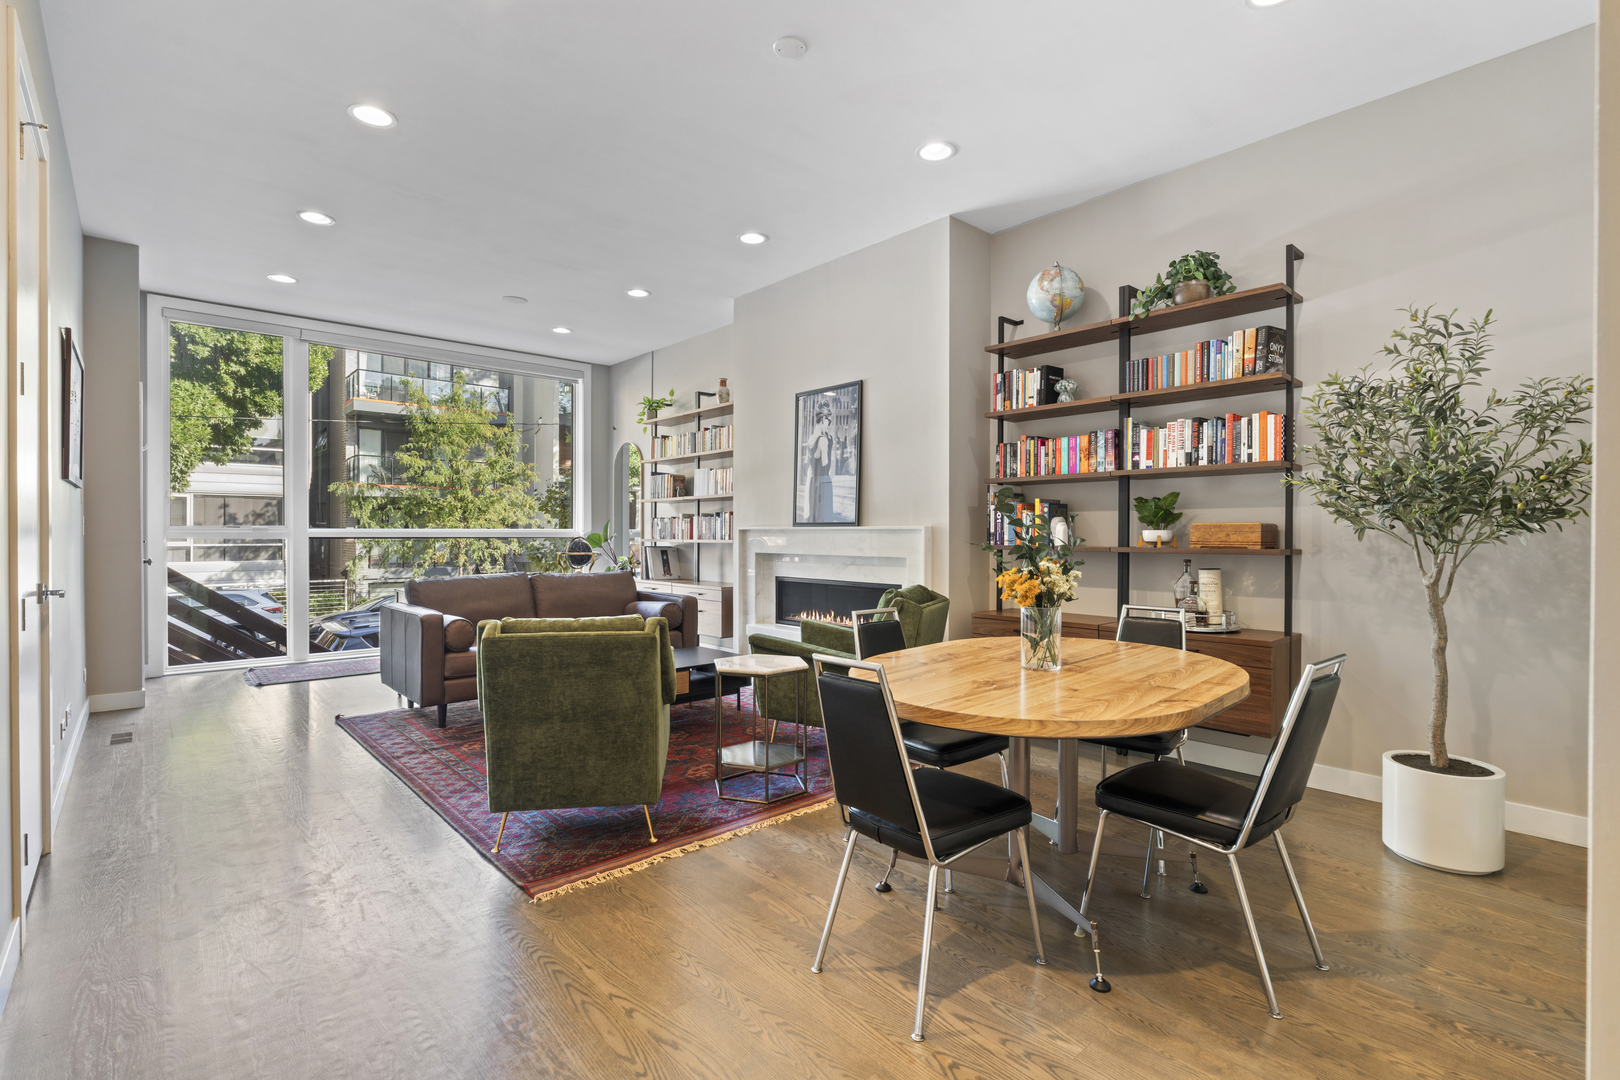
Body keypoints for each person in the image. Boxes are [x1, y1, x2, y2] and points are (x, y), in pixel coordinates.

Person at [807, 401, 835, 521]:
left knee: (814, 515)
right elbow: (826, 466)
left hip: (813, 482)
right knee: (824, 518)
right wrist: (829, 445)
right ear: (823, 419)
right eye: (829, 422)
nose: (829, 425)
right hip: (824, 483)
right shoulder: (824, 440)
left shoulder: (811, 439)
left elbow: (813, 460)